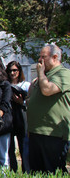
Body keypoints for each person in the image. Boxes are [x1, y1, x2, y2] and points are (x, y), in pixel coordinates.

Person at [27, 44, 70, 173]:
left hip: (53, 134)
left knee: (53, 172)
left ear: (55, 57)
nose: (40, 60)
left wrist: (40, 73)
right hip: (36, 132)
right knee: (37, 172)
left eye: (43, 57)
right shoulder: (42, 77)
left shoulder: (64, 74)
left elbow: (47, 90)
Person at [5, 61, 30, 172]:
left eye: (15, 70)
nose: (12, 73)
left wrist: (21, 102)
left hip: (21, 116)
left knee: (24, 146)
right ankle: (13, 171)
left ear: (19, 71)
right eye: (10, 70)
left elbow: (30, 103)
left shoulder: (26, 85)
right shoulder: (5, 85)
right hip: (10, 117)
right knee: (10, 148)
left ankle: (26, 171)